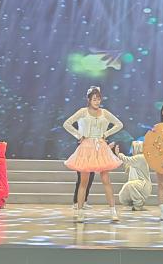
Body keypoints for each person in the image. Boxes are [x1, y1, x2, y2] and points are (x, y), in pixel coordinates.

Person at [63, 86, 124, 223]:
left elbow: (119, 124)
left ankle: (113, 211)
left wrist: (106, 134)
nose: (97, 102)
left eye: (98, 99)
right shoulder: (83, 112)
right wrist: (79, 135)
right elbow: (67, 124)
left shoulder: (104, 113)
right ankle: (80, 212)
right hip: (86, 147)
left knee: (106, 180)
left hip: (101, 147)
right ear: (89, 100)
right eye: (94, 99)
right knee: (83, 181)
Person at [115, 141, 152, 211]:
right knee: (124, 193)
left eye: (133, 148)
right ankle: (136, 203)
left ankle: (138, 204)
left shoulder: (141, 157)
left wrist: (119, 154)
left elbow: (127, 160)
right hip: (139, 184)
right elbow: (128, 164)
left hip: (143, 185)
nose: (132, 150)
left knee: (130, 185)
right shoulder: (136, 158)